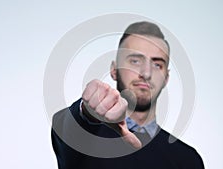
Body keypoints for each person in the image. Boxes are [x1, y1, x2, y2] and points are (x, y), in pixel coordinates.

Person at [51, 21, 205, 169]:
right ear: (114, 70)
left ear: (166, 77)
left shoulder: (188, 159)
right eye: (135, 61)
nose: (146, 73)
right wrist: (86, 113)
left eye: (157, 64)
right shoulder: (87, 138)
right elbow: (66, 128)